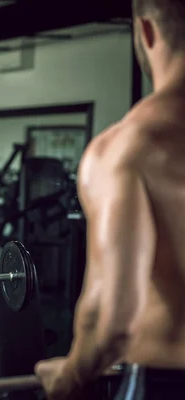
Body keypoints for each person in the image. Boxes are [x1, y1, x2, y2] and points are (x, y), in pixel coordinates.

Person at [35, 0, 185, 399]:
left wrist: (67, 380)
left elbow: (113, 321)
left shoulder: (128, 148)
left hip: (165, 381)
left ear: (147, 32)